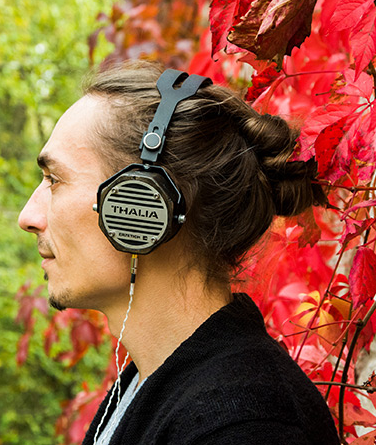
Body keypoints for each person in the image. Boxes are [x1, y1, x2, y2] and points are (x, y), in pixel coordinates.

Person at [18, 61, 339, 445]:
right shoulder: (148, 387)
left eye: (54, 180)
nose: (28, 217)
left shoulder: (245, 425)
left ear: (144, 201)